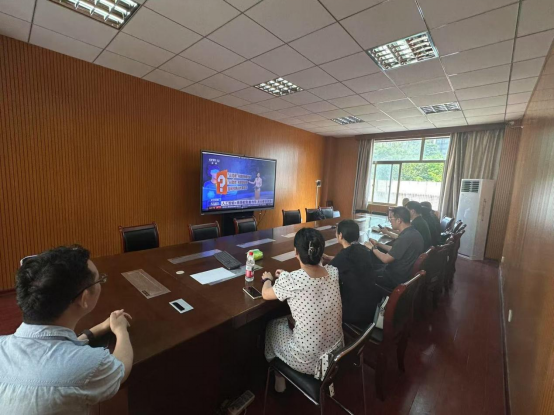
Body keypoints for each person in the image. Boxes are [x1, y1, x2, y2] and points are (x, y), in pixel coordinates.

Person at [0, 246, 134, 415]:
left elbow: (49, 353)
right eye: (99, 280)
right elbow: (121, 368)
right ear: (84, 298)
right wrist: (120, 329)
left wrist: (99, 328)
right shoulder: (89, 365)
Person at [261, 228, 343, 392]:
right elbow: (310, 277)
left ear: (296, 252)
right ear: (321, 252)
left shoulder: (292, 280)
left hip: (307, 361)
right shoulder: (333, 272)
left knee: (272, 326)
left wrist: (268, 280)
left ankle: (278, 376)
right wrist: (287, 276)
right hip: (336, 354)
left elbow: (265, 294)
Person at [322, 220, 381, 327]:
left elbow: (324, 274)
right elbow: (350, 262)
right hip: (371, 306)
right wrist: (330, 258)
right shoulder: (363, 249)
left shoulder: (344, 256)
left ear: (340, 235)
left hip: (354, 312)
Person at [365, 207, 424, 290]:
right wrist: (378, 244)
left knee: (364, 274)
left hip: (394, 277)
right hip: (404, 272)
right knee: (371, 266)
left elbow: (386, 259)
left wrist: (372, 248)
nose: (390, 221)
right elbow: (395, 250)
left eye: (391, 218)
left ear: (399, 220)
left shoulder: (405, 237)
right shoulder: (412, 232)